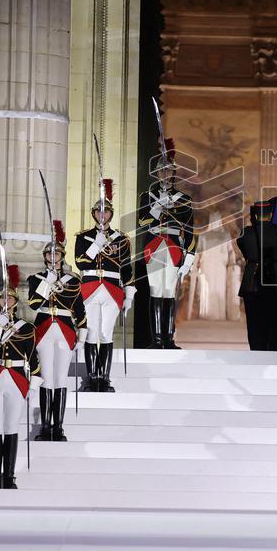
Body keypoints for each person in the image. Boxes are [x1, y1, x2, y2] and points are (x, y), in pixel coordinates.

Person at [0, 269, 40, 489]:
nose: (6, 301)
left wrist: (34, 382)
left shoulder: (26, 328)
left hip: (16, 377)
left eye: (10, 298)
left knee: (11, 426)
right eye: (3, 298)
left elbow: (33, 356)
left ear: (15, 302)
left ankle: (9, 476)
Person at [27, 223, 84, 441]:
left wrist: (83, 333)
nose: (53, 257)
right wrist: (47, 283)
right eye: (49, 253)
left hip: (65, 330)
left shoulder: (73, 280)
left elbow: (79, 309)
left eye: (57, 253)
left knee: (60, 379)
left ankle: (58, 427)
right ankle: (45, 426)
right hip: (43, 330)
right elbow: (33, 304)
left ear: (62, 256)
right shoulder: (36, 279)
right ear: (45, 257)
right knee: (46, 379)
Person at [138, 139, 196, 350]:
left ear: (173, 173)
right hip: (154, 244)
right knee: (155, 290)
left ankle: (169, 339)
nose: (164, 174)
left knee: (169, 291)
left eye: (168, 171)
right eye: (161, 171)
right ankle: (157, 340)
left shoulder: (184, 198)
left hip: (173, 244)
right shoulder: (148, 196)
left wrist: (190, 256)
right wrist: (157, 206)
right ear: (156, 173)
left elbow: (189, 229)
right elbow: (142, 221)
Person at [75, 184, 133, 391]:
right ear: (93, 213)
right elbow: (81, 263)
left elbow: (127, 268)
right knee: (91, 333)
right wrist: (95, 244)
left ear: (111, 214)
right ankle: (92, 378)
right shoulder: (83, 237)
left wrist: (130, 294)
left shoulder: (122, 239)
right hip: (90, 288)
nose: (102, 214)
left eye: (106, 211)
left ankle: (104, 378)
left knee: (106, 334)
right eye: (98, 211)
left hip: (112, 289)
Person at [236, 200, 277, 351]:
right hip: (275, 280)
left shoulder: (247, 233)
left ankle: (256, 351)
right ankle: (274, 352)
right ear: (270, 215)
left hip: (253, 280)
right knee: (274, 321)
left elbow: (244, 250)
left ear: (255, 216)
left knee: (254, 322)